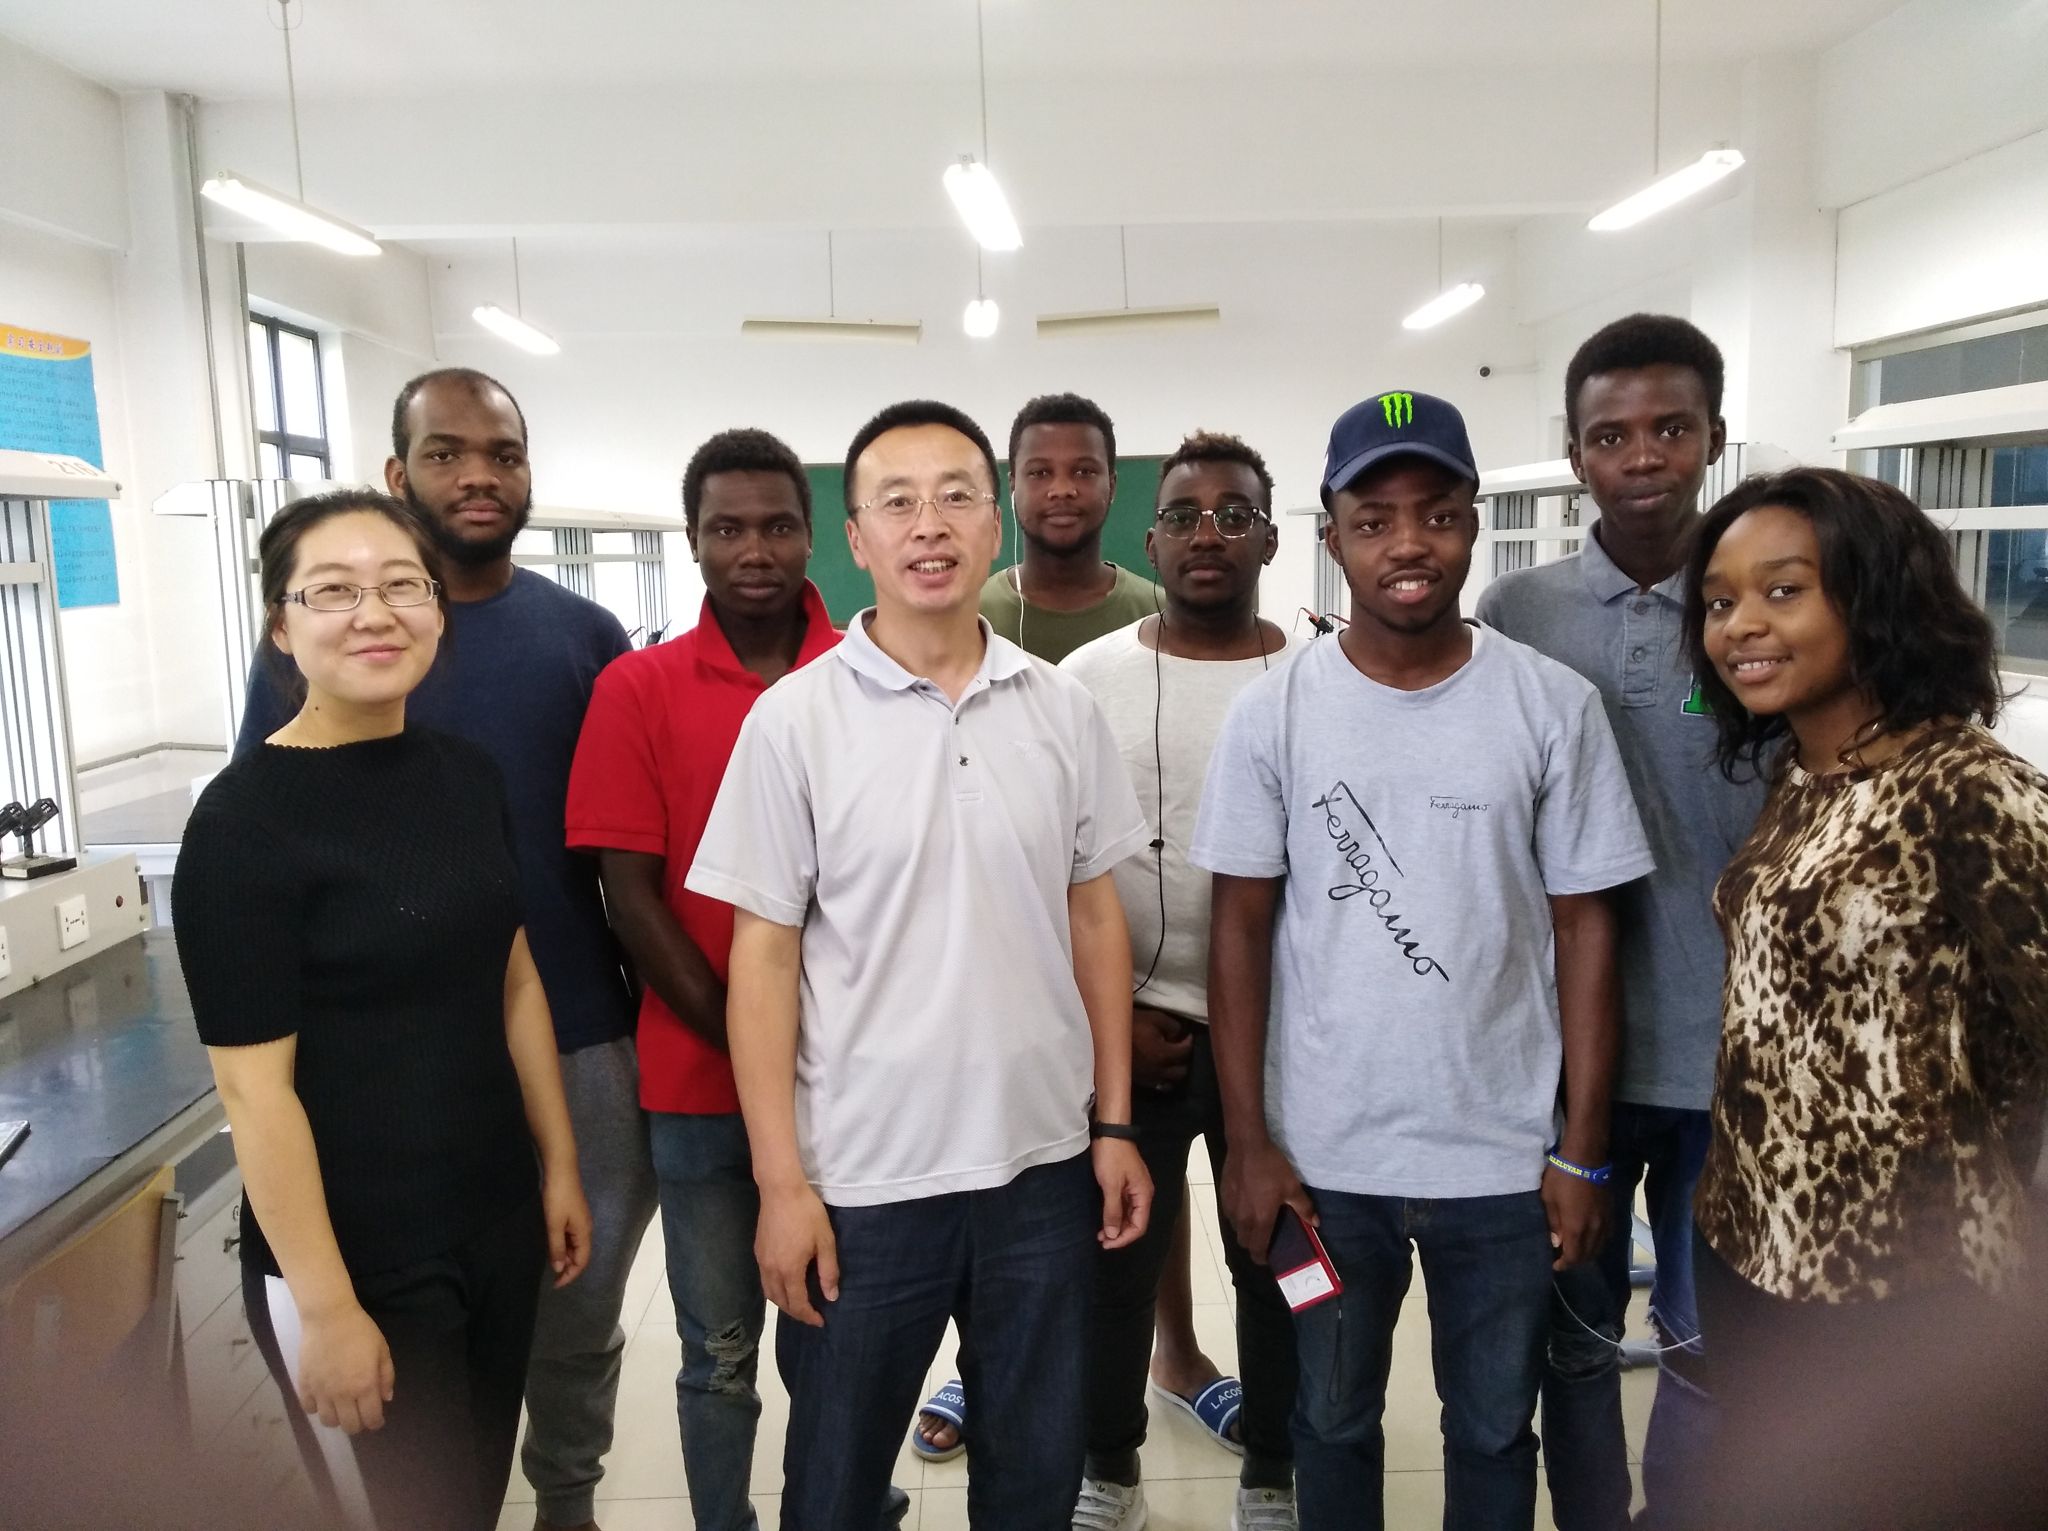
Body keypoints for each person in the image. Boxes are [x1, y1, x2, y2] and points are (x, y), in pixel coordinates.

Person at [687, 399, 1155, 1531]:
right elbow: (763, 960)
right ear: (856, 538)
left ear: (993, 524)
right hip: (862, 1181)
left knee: (1033, 1482)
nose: (928, 524)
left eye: (954, 496)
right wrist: (782, 1185)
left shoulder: (1060, 708)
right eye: (895, 502)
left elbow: (1095, 920)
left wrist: (1114, 1123)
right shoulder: (793, 722)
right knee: (835, 1487)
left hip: (1040, 1168)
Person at [1196, 391, 1653, 1531]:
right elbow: (1237, 929)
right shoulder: (1272, 714)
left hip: (1502, 1161)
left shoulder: (1550, 706)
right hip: (1324, 1161)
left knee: (1493, 1429)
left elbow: (1587, 928)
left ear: (1473, 523)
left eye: (1438, 514)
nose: (1409, 543)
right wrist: (1247, 1143)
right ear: (1332, 534)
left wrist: (1583, 1149)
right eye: (1375, 519)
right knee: (1330, 1421)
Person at [235, 369, 652, 1531]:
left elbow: (615, 852)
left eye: (503, 454)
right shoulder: (316, 667)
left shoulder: (582, 638)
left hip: (573, 1034)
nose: (478, 475)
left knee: (571, 1315)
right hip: (390, 1073)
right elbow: (273, 838)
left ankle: (565, 1503)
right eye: (446, 453)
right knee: (421, 1356)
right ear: (397, 472)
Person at [174, 489, 592, 1531]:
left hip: (493, 1221)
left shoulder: (465, 776)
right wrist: (325, 1307)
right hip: (357, 1257)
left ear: (437, 610)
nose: (374, 613)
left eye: (403, 585)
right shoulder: (241, 824)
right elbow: (254, 1091)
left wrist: (557, 1166)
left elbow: (515, 979)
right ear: (281, 625)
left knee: (472, 1507)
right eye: (333, 590)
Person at [1682, 466, 2048, 1531]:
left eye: (1783, 590)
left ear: (1876, 596)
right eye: (1718, 601)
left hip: (1905, 1282)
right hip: (1749, 1243)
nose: (1740, 625)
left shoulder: (1966, 787)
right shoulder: (1803, 776)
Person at [1475, 314, 1765, 1531]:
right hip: (1564, 1065)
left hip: (1731, 1060)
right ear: (1572, 452)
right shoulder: (1517, 609)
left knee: (1711, 1351)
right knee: (1574, 1340)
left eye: (1669, 429)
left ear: (1711, 435)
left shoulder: (1764, 598)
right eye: (1610, 436)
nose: (1641, 456)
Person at [564, 429, 841, 1531]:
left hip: (854, 1090)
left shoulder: (867, 672)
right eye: (727, 528)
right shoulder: (635, 688)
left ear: (813, 537)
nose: (754, 549)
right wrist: (753, 1039)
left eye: (777, 526)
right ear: (693, 540)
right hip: (698, 1087)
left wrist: (810, 1051)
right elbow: (628, 897)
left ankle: (842, 1506)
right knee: (718, 1352)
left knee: (837, 1344)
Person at [1061, 432, 1302, 1531]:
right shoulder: (1085, 681)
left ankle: (1274, 1474)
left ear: (1271, 538)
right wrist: (1107, 1019)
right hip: (1136, 1040)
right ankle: (1108, 1467)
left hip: (1283, 1044)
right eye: (1184, 515)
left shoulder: (1314, 675)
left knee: (1278, 1261)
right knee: (1114, 1271)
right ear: (1150, 540)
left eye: (1234, 513)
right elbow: (1049, 870)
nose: (1209, 533)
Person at [978, 392, 1162, 663]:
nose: (1062, 489)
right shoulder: (972, 615)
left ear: (1112, 486)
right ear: (1013, 485)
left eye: (1084, 471)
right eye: (1040, 472)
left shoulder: (1160, 613)